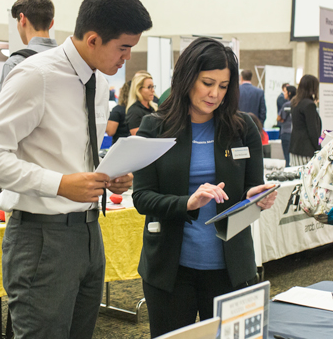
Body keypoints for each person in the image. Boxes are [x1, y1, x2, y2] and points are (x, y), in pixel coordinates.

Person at [0, 0, 152, 339]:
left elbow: (75, 152)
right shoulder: (37, 75)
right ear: (94, 39)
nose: (127, 57)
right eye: (124, 48)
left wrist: (108, 175)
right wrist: (60, 183)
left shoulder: (96, 81)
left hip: (88, 232)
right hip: (41, 237)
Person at [132, 37, 277, 338]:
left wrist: (255, 198)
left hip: (230, 269)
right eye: (207, 83)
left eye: (223, 86)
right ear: (187, 78)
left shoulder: (243, 129)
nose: (215, 94)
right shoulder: (154, 128)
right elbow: (142, 198)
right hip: (171, 270)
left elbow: (251, 187)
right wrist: (188, 202)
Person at [0, 0, 57, 94]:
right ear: (51, 23)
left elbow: (3, 109)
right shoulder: (69, 60)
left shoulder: (15, 63)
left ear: (22, 19)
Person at [289, 75, 321, 166]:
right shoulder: (309, 105)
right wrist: (319, 149)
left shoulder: (295, 102)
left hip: (294, 148)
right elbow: (312, 130)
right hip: (306, 150)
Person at [126, 71, 157, 135]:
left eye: (153, 87)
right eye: (149, 87)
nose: (153, 90)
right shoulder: (134, 110)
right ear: (138, 89)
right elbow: (138, 136)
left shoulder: (154, 108)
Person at [277, 85, 296, 167]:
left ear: (289, 93)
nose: (284, 93)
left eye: (285, 92)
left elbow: (280, 118)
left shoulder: (287, 105)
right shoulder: (297, 104)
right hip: (294, 133)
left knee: (287, 158)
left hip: (286, 133)